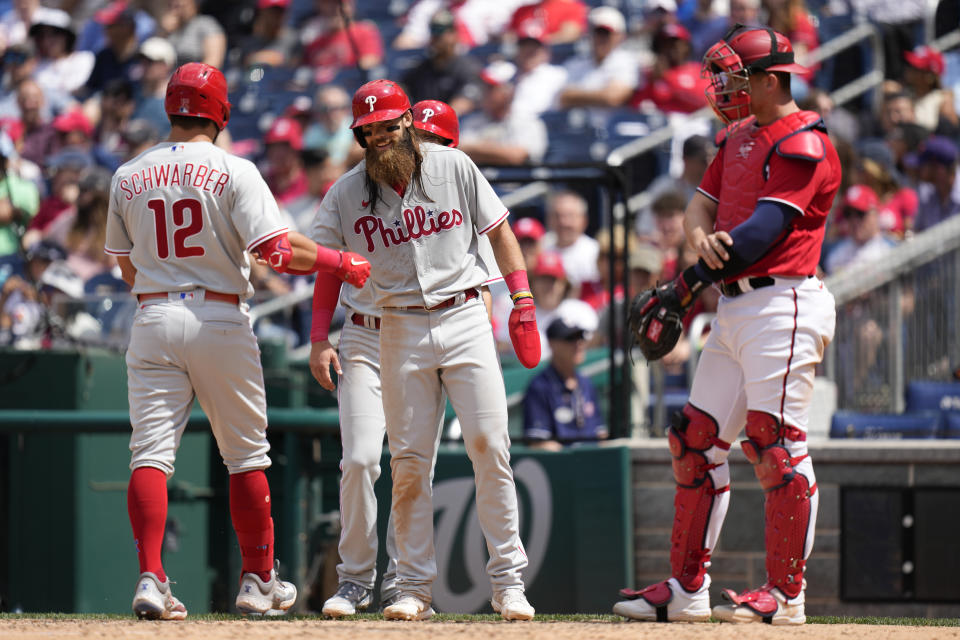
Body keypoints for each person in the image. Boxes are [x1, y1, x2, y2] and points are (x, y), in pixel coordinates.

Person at [103, 61, 371, 620]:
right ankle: (258, 579)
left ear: (172, 106)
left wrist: (162, 287)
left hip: (152, 316)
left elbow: (124, 266)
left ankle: (151, 578)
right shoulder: (234, 169)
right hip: (219, 316)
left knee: (150, 454)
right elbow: (276, 252)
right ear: (220, 111)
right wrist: (338, 259)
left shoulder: (127, 173)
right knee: (246, 456)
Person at [614, 25, 840, 624]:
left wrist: (688, 282)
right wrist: (696, 243)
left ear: (771, 80)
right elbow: (700, 207)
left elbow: (765, 231)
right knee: (693, 442)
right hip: (736, 304)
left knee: (776, 447)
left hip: (783, 302)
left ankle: (786, 596)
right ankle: (687, 591)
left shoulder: (806, 141)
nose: (721, 87)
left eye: (735, 77)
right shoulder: (737, 136)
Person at [308, 79, 538, 621]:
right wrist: (319, 336)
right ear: (361, 136)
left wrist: (521, 297)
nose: (382, 137)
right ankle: (411, 586)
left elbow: (500, 231)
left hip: (463, 314)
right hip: (396, 326)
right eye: (370, 131)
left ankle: (508, 581)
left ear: (408, 121)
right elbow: (321, 263)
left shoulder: (454, 167)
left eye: (390, 125)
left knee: (490, 445)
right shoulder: (346, 192)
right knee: (408, 463)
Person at [523, 315, 606, 451]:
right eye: (570, 338)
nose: (578, 344)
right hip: (561, 466)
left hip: (592, 462)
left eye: (580, 337)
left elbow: (600, 434)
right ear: (551, 343)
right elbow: (538, 443)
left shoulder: (586, 383)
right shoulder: (540, 386)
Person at [458, 60, 548, 166]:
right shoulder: (471, 121)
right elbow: (458, 151)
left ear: (509, 91)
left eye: (491, 88)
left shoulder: (530, 122)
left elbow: (516, 157)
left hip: (518, 181)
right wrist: (498, 151)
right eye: (484, 86)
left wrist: (477, 149)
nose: (483, 91)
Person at [823, 185, 897, 274]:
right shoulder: (834, 252)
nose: (854, 221)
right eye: (848, 214)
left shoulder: (891, 250)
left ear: (876, 213)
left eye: (860, 213)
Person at [913, 136, 960, 232]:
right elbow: (918, 231)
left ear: (939, 169)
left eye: (923, 165)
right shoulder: (927, 193)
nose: (918, 169)